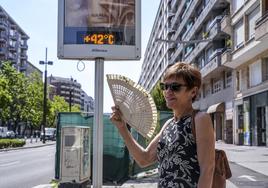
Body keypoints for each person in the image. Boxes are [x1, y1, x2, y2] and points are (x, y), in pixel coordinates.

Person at [110, 62, 215, 188]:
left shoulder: (200, 119)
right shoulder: (169, 124)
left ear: (193, 92)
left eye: (175, 87)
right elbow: (144, 158)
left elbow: (207, 169)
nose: (168, 91)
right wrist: (122, 128)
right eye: (165, 86)